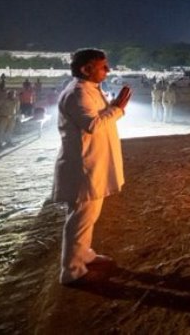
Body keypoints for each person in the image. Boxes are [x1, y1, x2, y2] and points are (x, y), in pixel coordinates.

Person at [52, 48, 131, 285]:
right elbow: (93, 124)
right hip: (83, 167)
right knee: (81, 217)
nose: (108, 70)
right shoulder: (77, 93)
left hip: (93, 163)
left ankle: (84, 254)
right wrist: (117, 108)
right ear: (86, 69)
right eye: (103, 66)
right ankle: (72, 271)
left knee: (87, 216)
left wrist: (115, 107)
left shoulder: (89, 89)